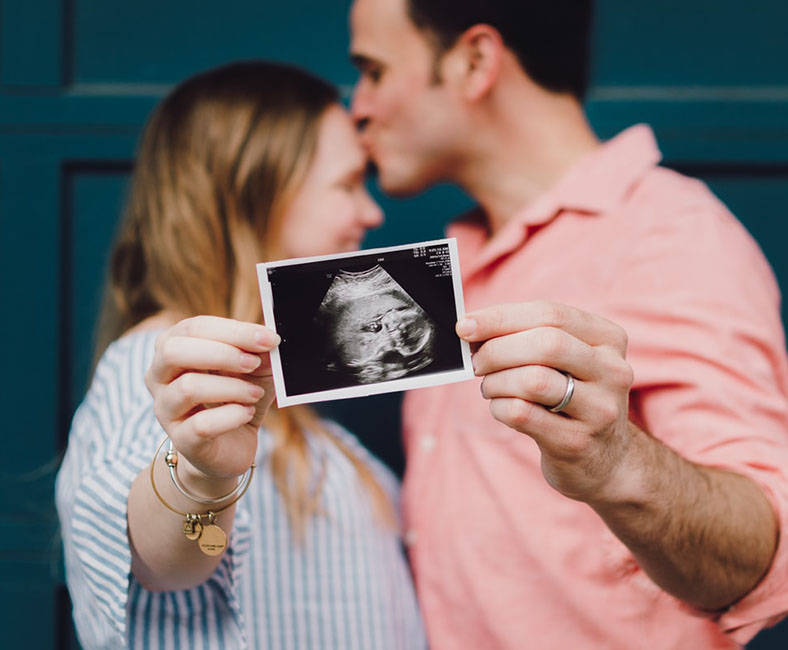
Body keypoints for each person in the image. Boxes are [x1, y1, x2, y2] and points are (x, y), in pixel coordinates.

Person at [348, 0, 788, 647]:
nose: (358, 104)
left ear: (475, 61)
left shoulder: (672, 236)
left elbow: (761, 560)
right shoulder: (451, 264)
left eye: (375, 71)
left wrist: (616, 465)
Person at [55, 61, 426, 650]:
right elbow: (163, 561)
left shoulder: (282, 396)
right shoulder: (162, 371)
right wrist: (203, 473)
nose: (371, 212)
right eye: (348, 183)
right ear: (256, 191)